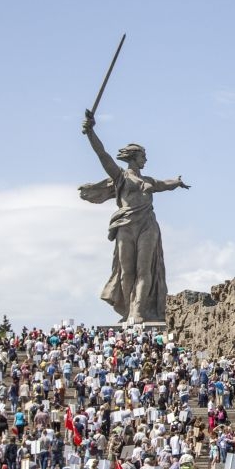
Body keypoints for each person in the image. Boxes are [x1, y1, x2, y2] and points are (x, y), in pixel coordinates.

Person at [80, 111, 190, 324]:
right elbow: (103, 155)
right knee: (126, 272)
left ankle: (138, 312)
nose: (146, 159)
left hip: (147, 225)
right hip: (126, 225)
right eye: (143, 156)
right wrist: (91, 132)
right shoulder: (120, 177)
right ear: (134, 157)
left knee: (144, 269)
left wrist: (176, 182)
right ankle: (128, 311)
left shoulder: (148, 180)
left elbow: (164, 184)